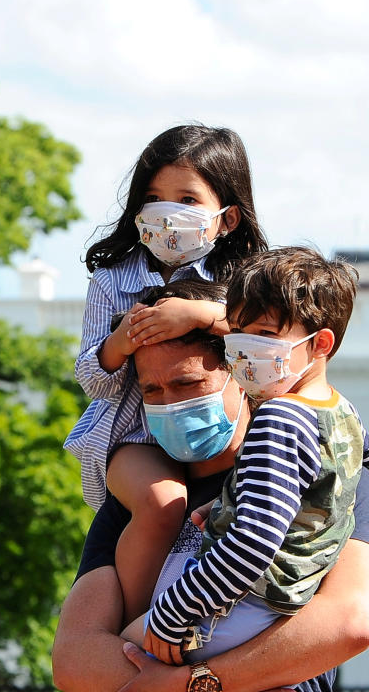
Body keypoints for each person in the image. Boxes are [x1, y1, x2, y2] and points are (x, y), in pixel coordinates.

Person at [51, 281, 369, 692]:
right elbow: (75, 656)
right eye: (152, 390)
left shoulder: (324, 472)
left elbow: (350, 622)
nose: (169, 403)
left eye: (188, 384)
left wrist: (192, 688)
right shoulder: (139, 497)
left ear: (240, 371)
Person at [64, 124, 268, 627]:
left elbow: (268, 343)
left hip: (222, 434)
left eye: (186, 198)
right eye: (153, 197)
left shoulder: (247, 282)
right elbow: (93, 379)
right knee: (161, 503)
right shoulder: (113, 280)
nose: (167, 211)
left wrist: (200, 316)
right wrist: (121, 343)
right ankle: (136, 624)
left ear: (228, 217)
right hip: (135, 433)